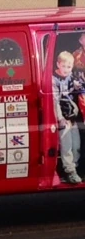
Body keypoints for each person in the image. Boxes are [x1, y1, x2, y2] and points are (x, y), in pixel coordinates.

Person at [52, 50, 83, 184]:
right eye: (64, 66)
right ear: (58, 64)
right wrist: (60, 118)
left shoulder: (71, 77)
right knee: (67, 146)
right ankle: (69, 171)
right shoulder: (54, 80)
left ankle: (74, 168)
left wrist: (78, 84)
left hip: (72, 117)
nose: (66, 69)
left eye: (69, 67)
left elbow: (77, 87)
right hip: (63, 117)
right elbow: (54, 101)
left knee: (76, 145)